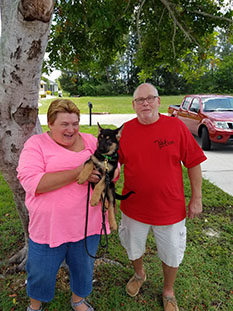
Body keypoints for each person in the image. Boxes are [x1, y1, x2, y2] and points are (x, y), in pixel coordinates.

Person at [118, 83, 207, 311]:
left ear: (158, 101)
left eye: (150, 98)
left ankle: (168, 290)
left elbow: (194, 162)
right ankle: (139, 274)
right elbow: (113, 164)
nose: (145, 103)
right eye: (140, 100)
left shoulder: (175, 127)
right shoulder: (125, 131)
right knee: (133, 247)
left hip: (169, 209)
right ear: (134, 105)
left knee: (171, 253)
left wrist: (196, 198)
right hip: (134, 207)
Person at [17, 99, 108, 311]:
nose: (71, 129)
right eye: (64, 124)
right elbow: (33, 182)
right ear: (50, 124)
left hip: (87, 225)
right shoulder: (36, 144)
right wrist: (79, 172)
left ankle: (78, 300)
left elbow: (115, 166)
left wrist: (104, 174)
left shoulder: (91, 141)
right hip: (49, 227)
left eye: (75, 123)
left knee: (83, 267)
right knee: (40, 271)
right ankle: (35, 304)